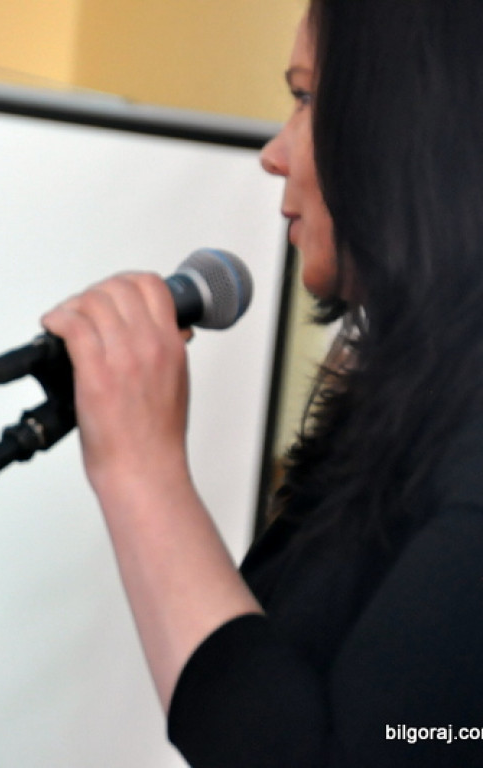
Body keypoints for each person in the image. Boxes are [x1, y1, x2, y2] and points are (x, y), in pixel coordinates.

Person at [42, 1, 483, 765]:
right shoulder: (402, 408)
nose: (275, 152)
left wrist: (144, 471)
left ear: (410, 119)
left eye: (307, 97)